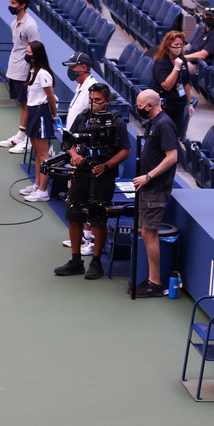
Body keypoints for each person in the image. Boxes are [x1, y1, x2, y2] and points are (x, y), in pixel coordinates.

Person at [53, 83, 130, 280]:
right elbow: (68, 141)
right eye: (91, 99)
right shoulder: (83, 117)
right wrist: (75, 156)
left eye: (97, 101)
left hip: (102, 175)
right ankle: (76, 260)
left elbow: (124, 151)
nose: (93, 103)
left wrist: (107, 165)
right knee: (73, 213)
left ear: (107, 101)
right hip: (81, 172)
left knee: (98, 218)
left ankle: (96, 262)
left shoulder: (116, 123)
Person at [131, 89, 179, 298]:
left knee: (150, 234)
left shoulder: (164, 124)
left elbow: (172, 157)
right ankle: (152, 279)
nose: (138, 108)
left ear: (150, 105)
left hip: (155, 188)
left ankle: (156, 284)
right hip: (148, 188)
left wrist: (148, 176)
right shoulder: (154, 123)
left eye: (140, 105)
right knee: (146, 233)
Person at [59, 51, 101, 254]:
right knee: (76, 197)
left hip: (84, 152)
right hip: (74, 149)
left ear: (83, 68)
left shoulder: (91, 89)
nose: (70, 70)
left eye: (72, 67)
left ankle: (91, 240)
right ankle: (84, 238)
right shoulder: (80, 87)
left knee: (86, 196)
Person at [0, 0, 40, 154]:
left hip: (25, 71)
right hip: (14, 68)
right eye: (10, 3)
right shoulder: (15, 23)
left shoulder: (31, 26)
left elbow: (36, 49)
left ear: (23, 5)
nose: (10, 6)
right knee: (22, 104)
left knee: (28, 105)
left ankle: (29, 140)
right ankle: (21, 135)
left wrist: (33, 72)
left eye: (14, 3)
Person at [17, 41, 59, 202]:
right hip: (33, 112)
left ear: (37, 55)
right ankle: (36, 184)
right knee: (36, 153)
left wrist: (53, 114)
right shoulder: (33, 70)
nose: (27, 55)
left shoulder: (43, 73)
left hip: (41, 112)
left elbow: (50, 97)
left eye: (29, 53)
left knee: (43, 155)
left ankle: (43, 191)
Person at [150, 30, 194, 139]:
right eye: (176, 45)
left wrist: (190, 103)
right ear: (168, 46)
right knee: (164, 136)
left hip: (179, 106)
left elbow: (186, 82)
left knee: (176, 136)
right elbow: (167, 86)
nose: (179, 47)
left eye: (181, 45)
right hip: (165, 106)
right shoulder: (161, 63)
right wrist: (176, 68)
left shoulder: (182, 60)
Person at [183, 6, 214, 72]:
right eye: (207, 15)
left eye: (212, 16)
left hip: (198, 65)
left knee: (178, 66)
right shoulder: (201, 28)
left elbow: (203, 55)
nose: (209, 18)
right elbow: (189, 46)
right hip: (188, 57)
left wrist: (183, 58)